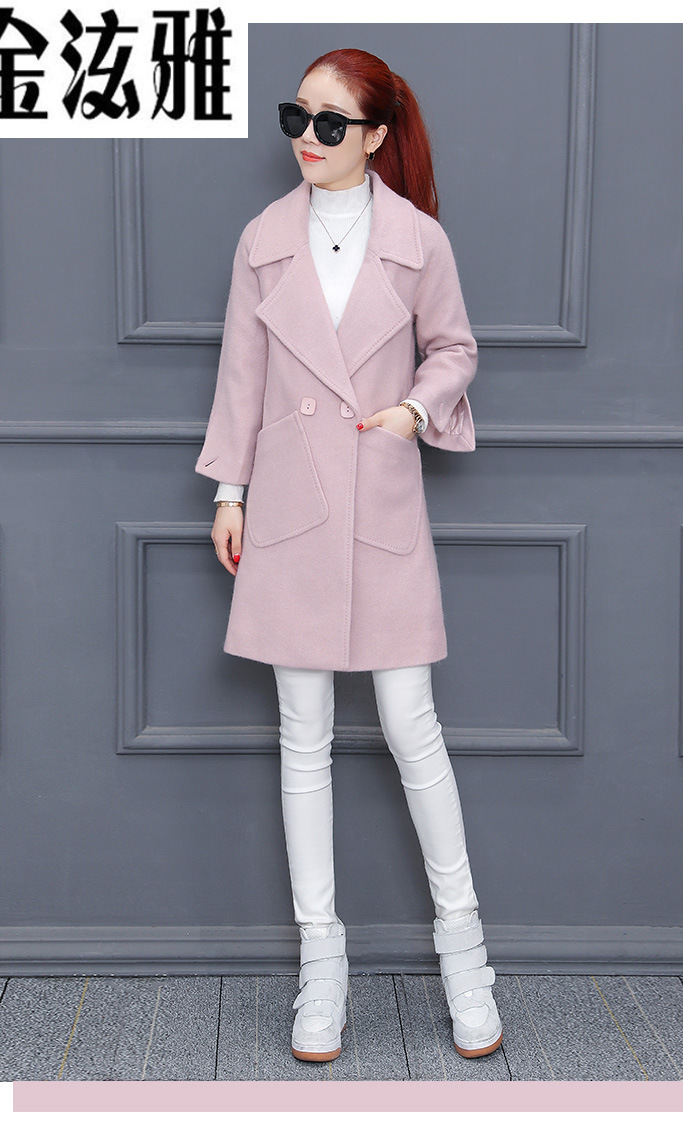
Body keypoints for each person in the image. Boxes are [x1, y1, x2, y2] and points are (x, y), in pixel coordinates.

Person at [195, 47, 503, 1063]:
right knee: (303, 738)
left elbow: (455, 348)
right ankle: (319, 968)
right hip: (289, 503)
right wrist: (231, 491)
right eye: (297, 117)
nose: (307, 139)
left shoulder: (418, 240)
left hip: (379, 496)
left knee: (413, 727)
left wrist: (415, 408)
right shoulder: (263, 239)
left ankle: (466, 958)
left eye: (330, 123)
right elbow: (242, 373)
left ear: (375, 135)